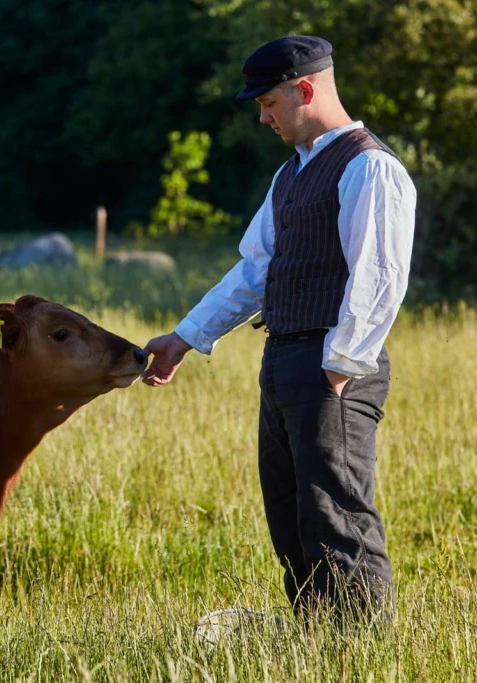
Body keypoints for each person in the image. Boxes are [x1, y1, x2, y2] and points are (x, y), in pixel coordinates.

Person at [143, 35, 416, 623]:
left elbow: (379, 276)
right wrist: (186, 336)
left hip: (332, 365)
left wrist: (340, 368)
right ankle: (315, 636)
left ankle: (357, 647)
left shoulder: (370, 167)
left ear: (306, 89)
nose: (263, 117)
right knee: (290, 508)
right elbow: (255, 271)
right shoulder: (291, 174)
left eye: (268, 103)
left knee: (335, 510)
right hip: (285, 361)